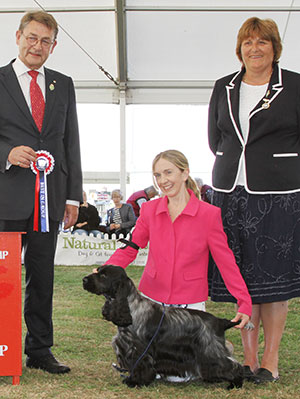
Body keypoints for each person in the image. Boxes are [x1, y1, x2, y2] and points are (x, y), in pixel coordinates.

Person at [208, 17, 300, 384]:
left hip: (279, 195)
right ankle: (246, 359)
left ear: (275, 47)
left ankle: (271, 359)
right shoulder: (223, 86)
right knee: (240, 280)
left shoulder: (293, 86)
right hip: (230, 193)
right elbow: (215, 138)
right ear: (239, 48)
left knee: (275, 281)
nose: (255, 48)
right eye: (248, 42)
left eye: (262, 42)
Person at [0, 11, 82, 374]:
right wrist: (5, 154)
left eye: (45, 41)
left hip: (49, 200)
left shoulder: (63, 84)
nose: (37, 46)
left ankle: (39, 350)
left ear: (54, 45)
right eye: (32, 38)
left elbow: (70, 141)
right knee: (2, 278)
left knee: (42, 277)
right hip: (6, 196)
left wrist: (72, 197)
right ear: (18, 36)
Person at [100, 150, 251, 322]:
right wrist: (104, 270)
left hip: (191, 304)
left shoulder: (209, 215)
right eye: (157, 175)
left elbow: (225, 261)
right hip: (151, 299)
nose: (162, 181)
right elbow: (131, 247)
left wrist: (244, 301)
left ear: (185, 173)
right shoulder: (149, 210)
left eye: (168, 172)